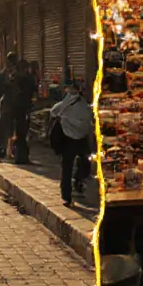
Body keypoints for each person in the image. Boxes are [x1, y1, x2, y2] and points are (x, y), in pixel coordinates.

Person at [51, 79, 93, 207]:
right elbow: (87, 120)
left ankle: (67, 196)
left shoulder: (65, 103)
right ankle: (77, 184)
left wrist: (64, 120)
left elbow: (53, 111)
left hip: (69, 140)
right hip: (79, 139)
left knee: (67, 167)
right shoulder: (81, 103)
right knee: (84, 162)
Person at [9, 55, 36, 164]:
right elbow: (33, 91)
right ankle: (22, 157)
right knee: (22, 133)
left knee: (19, 133)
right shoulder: (27, 77)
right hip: (24, 108)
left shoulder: (14, 76)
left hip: (15, 108)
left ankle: (19, 156)